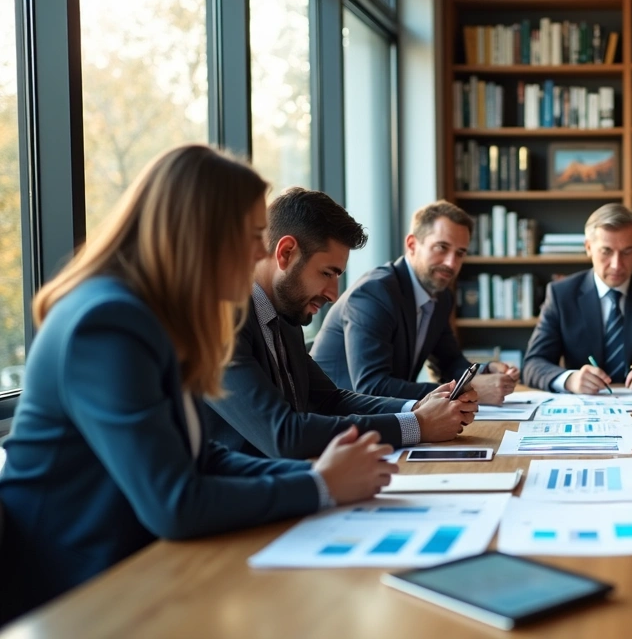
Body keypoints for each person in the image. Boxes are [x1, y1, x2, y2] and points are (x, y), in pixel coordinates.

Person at [0, 146, 396, 623]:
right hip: (75, 596)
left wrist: (322, 479)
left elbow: (200, 455)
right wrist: (319, 486)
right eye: (252, 236)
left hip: (139, 569)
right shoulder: (106, 322)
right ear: (199, 234)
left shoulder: (150, 317)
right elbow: (175, 504)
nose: (259, 253)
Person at [203, 188, 476, 460]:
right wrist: (416, 426)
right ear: (285, 253)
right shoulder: (218, 320)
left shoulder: (283, 312)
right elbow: (283, 435)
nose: (334, 294)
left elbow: (329, 400)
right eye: (326, 273)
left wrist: (416, 408)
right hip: (243, 493)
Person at [312, 200, 518, 405]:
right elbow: (371, 387)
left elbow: (449, 362)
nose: (451, 263)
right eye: (441, 247)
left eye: (460, 253)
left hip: (383, 419)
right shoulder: (374, 293)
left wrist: (484, 370)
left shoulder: (441, 296)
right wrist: (466, 390)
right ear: (412, 245)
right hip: (335, 420)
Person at [522, 203, 632, 393]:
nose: (617, 265)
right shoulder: (561, 294)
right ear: (589, 248)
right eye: (606, 251)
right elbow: (533, 364)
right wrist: (569, 380)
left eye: (627, 252)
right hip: (583, 407)